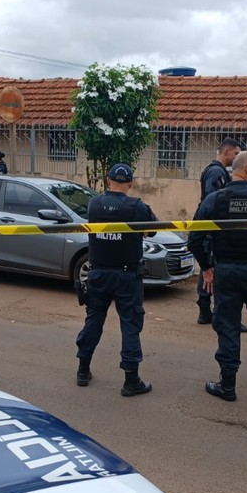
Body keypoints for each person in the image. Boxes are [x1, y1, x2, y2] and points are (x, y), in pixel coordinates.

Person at [188, 152, 247, 401]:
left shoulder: (215, 200)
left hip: (227, 272)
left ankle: (228, 385)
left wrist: (207, 267)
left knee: (228, 326)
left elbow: (195, 239)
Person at [75, 163, 156, 397]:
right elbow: (153, 230)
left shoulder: (94, 203)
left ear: (108, 180)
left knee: (93, 321)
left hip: (98, 274)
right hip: (126, 275)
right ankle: (131, 381)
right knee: (130, 326)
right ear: (130, 183)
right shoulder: (137, 207)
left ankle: (82, 370)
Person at [195, 138, 247, 333]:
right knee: (213, 268)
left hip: (212, 226)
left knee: (208, 267)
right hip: (214, 228)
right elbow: (214, 199)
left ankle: (206, 310)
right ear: (226, 152)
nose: (237, 157)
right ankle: (216, 312)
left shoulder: (216, 171)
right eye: (235, 154)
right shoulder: (217, 172)